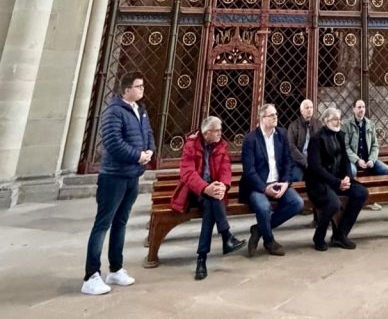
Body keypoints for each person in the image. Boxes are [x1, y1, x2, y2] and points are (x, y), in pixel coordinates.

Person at [82, 73, 155, 295]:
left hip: (132, 175)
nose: (142, 89)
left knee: (121, 222)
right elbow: (113, 142)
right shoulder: (114, 111)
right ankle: (91, 276)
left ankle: (115, 268)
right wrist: (137, 155)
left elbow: (148, 133)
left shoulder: (140, 110)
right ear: (126, 89)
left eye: (142, 85)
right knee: (102, 224)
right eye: (138, 86)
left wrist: (149, 151)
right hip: (113, 176)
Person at [170, 116, 245, 279]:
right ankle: (226, 237)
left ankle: (202, 258)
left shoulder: (221, 145)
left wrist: (223, 186)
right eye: (216, 131)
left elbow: (226, 168)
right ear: (206, 133)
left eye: (220, 130)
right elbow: (187, 173)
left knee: (212, 205)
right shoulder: (190, 146)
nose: (220, 133)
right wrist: (205, 188)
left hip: (214, 190)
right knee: (214, 200)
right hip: (194, 191)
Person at [239, 103, 304, 257]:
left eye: (276, 114)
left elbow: (288, 161)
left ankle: (258, 229)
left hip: (279, 183)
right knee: (264, 208)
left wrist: (285, 183)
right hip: (257, 186)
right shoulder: (250, 139)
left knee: (297, 203)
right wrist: (264, 188)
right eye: (271, 115)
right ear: (262, 119)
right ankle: (269, 241)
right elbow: (249, 171)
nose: (275, 117)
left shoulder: (282, 134)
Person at [306, 106, 368, 250]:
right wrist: (337, 182)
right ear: (325, 121)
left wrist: (347, 178)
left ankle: (340, 235)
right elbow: (316, 168)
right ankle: (319, 236)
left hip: (338, 180)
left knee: (361, 192)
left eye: (339, 119)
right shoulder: (316, 139)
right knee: (334, 203)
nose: (338, 122)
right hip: (319, 182)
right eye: (334, 119)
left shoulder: (340, 135)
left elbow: (345, 160)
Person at [286, 99, 322, 183]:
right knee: (296, 178)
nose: (309, 110)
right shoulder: (293, 126)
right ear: (301, 111)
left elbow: (322, 144)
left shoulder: (319, 124)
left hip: (315, 161)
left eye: (311, 107)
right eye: (307, 108)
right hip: (298, 162)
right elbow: (291, 147)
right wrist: (305, 162)